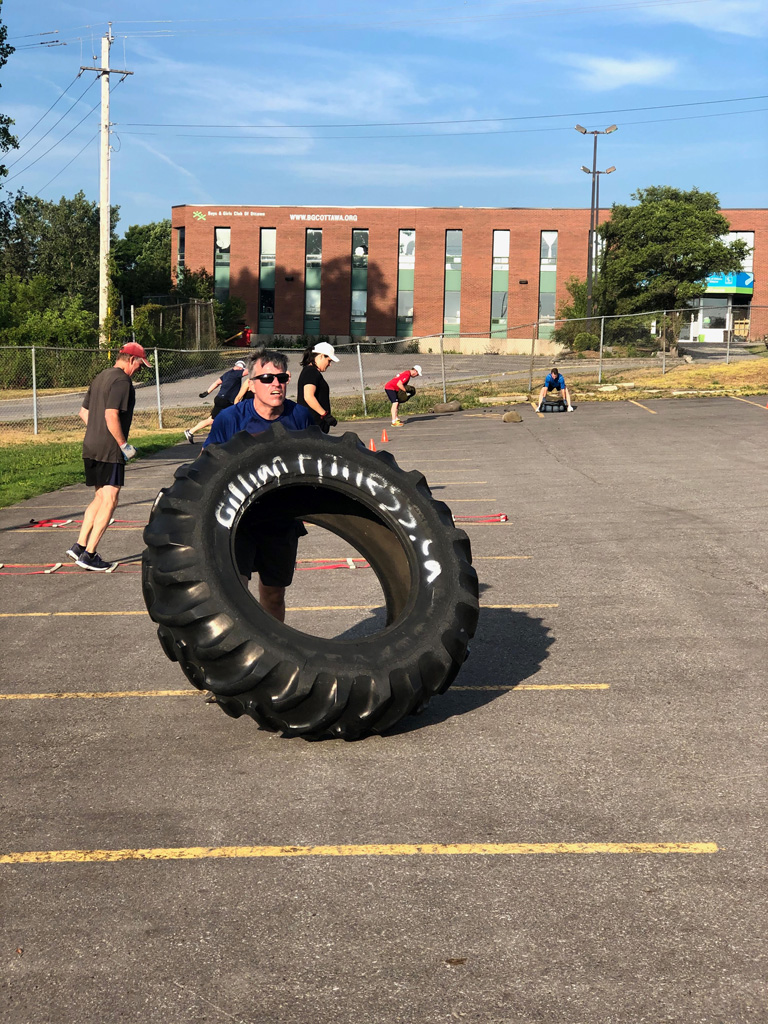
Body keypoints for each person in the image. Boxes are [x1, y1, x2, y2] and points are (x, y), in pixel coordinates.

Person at [204, 349, 314, 622]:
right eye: (266, 378)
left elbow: (319, 465)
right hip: (237, 520)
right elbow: (205, 466)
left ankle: (274, 655)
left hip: (280, 521)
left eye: (281, 377)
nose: (275, 384)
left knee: (274, 595)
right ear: (251, 384)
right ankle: (236, 655)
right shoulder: (230, 419)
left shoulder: (301, 417)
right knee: (234, 591)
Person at [66, 341, 151, 571]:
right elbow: (111, 414)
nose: (139, 371)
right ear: (131, 360)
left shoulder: (100, 376)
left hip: (91, 445)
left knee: (100, 497)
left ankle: (79, 546)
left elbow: (83, 413)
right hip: (109, 449)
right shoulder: (123, 381)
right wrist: (123, 444)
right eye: (140, 366)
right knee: (111, 499)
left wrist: (97, 431)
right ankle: (90, 555)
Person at [184, 359, 249, 443]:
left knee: (215, 419)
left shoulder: (227, 374)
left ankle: (191, 431)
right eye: (242, 369)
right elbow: (248, 372)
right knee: (218, 419)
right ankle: (191, 432)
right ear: (241, 368)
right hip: (225, 400)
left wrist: (207, 392)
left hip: (220, 399)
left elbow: (216, 383)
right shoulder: (236, 373)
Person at [296, 340, 339, 433]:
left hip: (313, 426)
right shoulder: (311, 372)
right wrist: (325, 415)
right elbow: (308, 396)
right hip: (312, 427)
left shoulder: (310, 372)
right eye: (329, 361)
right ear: (321, 356)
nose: (329, 364)